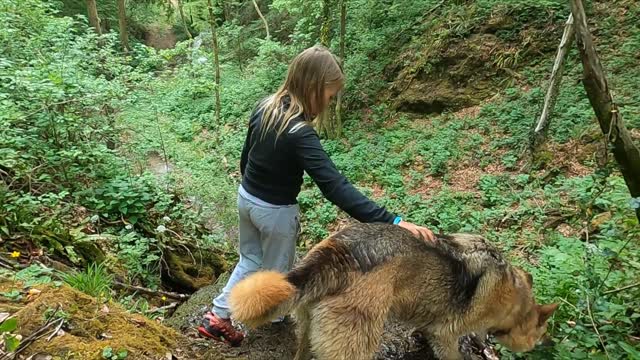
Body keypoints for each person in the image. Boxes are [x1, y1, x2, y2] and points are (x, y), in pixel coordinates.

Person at [198, 45, 435, 346]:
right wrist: (393, 221)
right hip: (275, 213)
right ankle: (272, 317)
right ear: (314, 87)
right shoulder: (300, 132)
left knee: (250, 258)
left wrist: (254, 187)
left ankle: (217, 314)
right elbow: (335, 186)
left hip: (246, 198)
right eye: (330, 94)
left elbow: (246, 158)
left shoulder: (265, 107)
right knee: (277, 271)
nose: (329, 102)